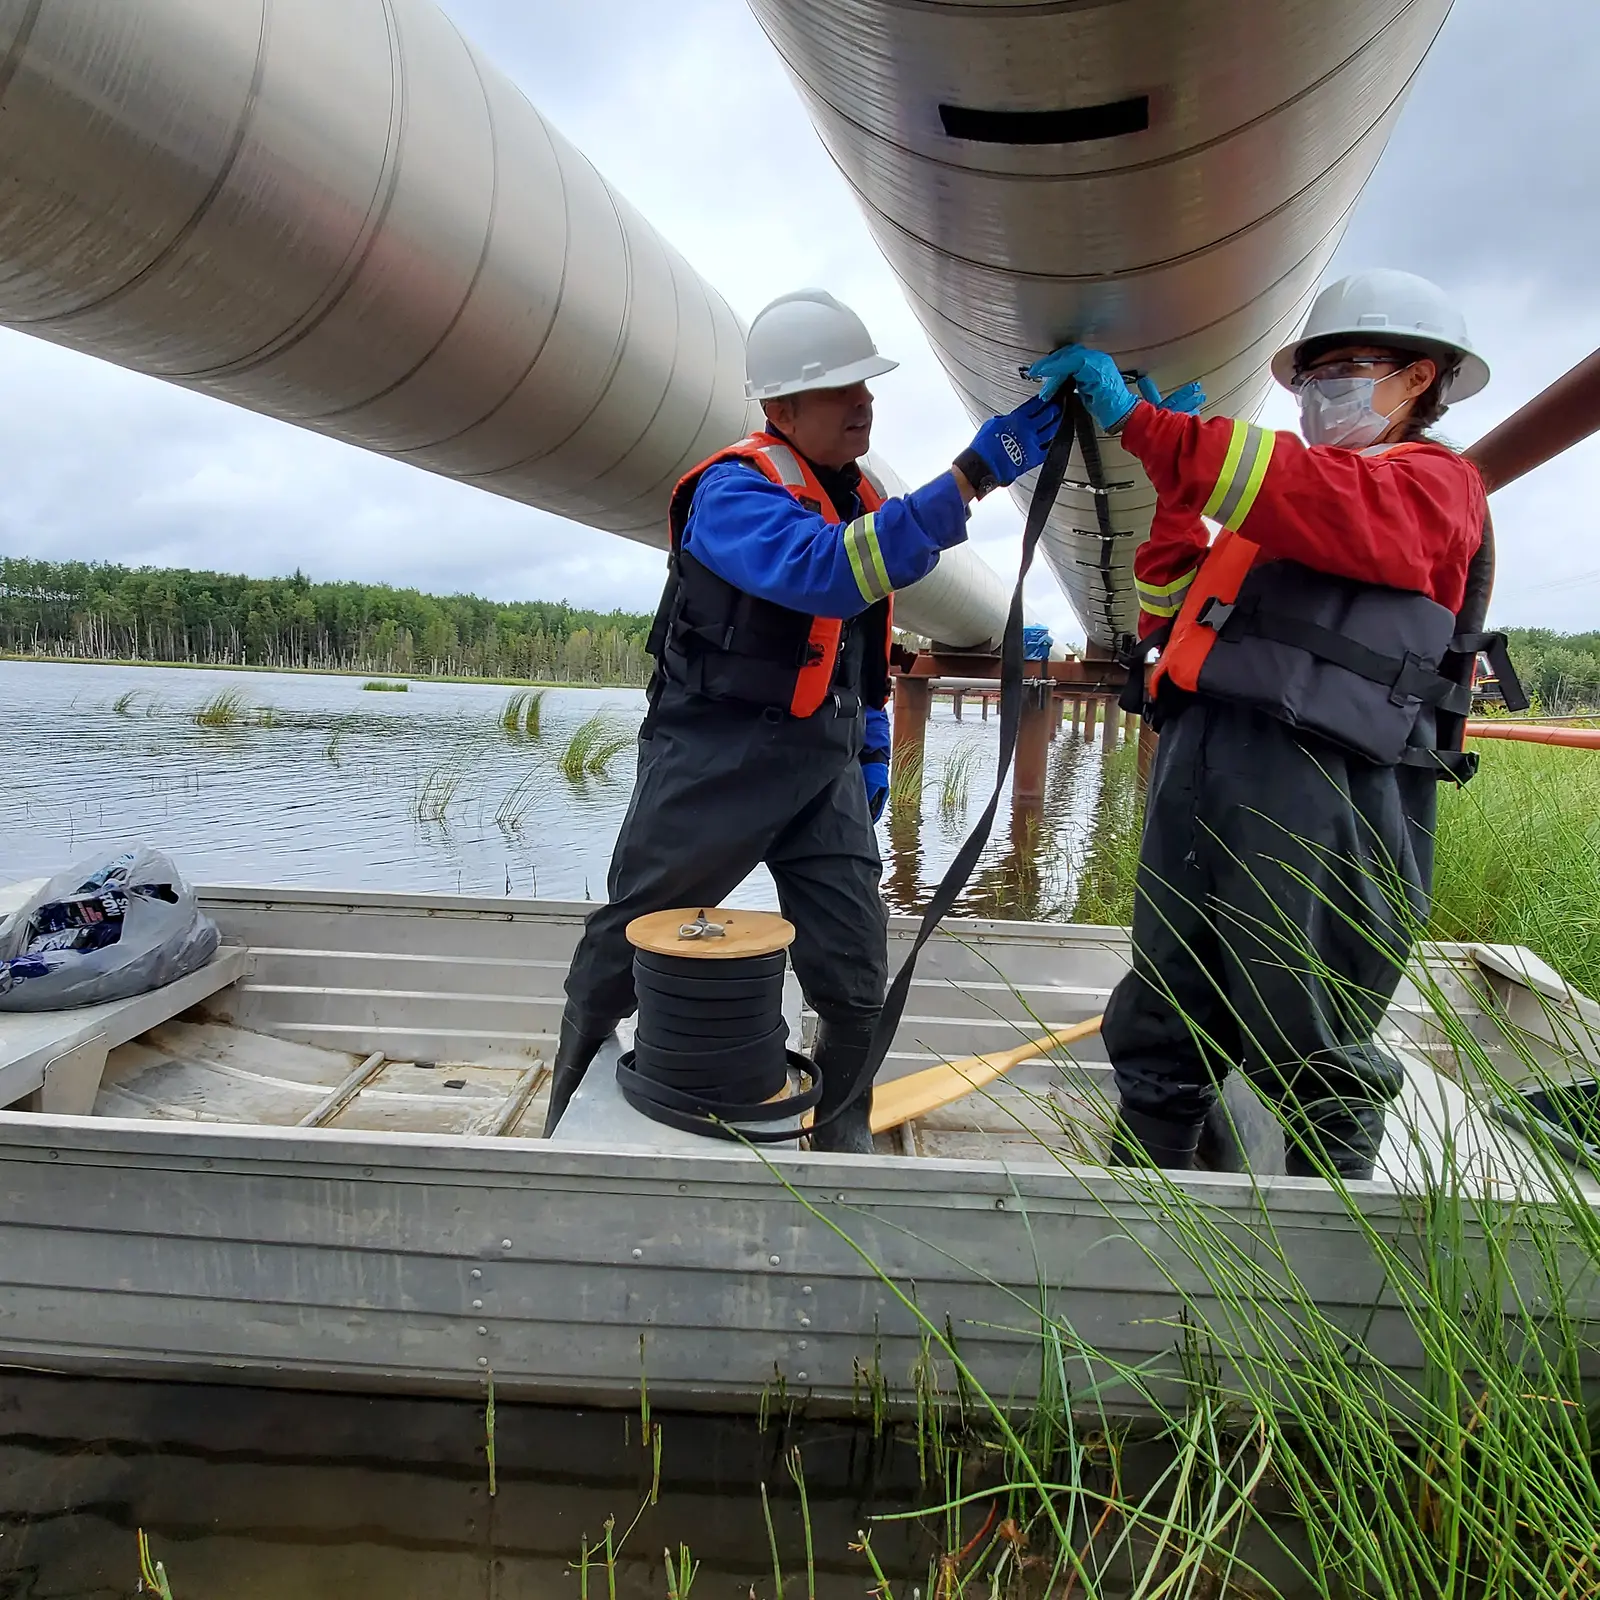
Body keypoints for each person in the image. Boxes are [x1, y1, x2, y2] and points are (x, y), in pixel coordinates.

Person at [546, 288, 1061, 1151]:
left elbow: (863, 653)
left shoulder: (862, 496)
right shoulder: (732, 494)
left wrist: (865, 758)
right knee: (628, 941)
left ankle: (842, 1143)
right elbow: (822, 572)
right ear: (782, 407)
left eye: (870, 388)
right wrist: (971, 478)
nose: (865, 404)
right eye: (843, 390)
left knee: (856, 972)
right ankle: (564, 1109)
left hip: (818, 767)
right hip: (714, 761)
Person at [1030, 269, 1493, 1179]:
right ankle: (1148, 1190)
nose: (1322, 390)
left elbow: (1323, 503)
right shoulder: (1280, 507)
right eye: (1312, 373)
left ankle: (1332, 1242)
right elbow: (1168, 607)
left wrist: (1153, 430)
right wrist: (1170, 485)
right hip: (1207, 763)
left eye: (1350, 366)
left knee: (1307, 1005)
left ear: (1421, 380)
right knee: (1168, 991)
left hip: (1323, 781)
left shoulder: (1433, 486)